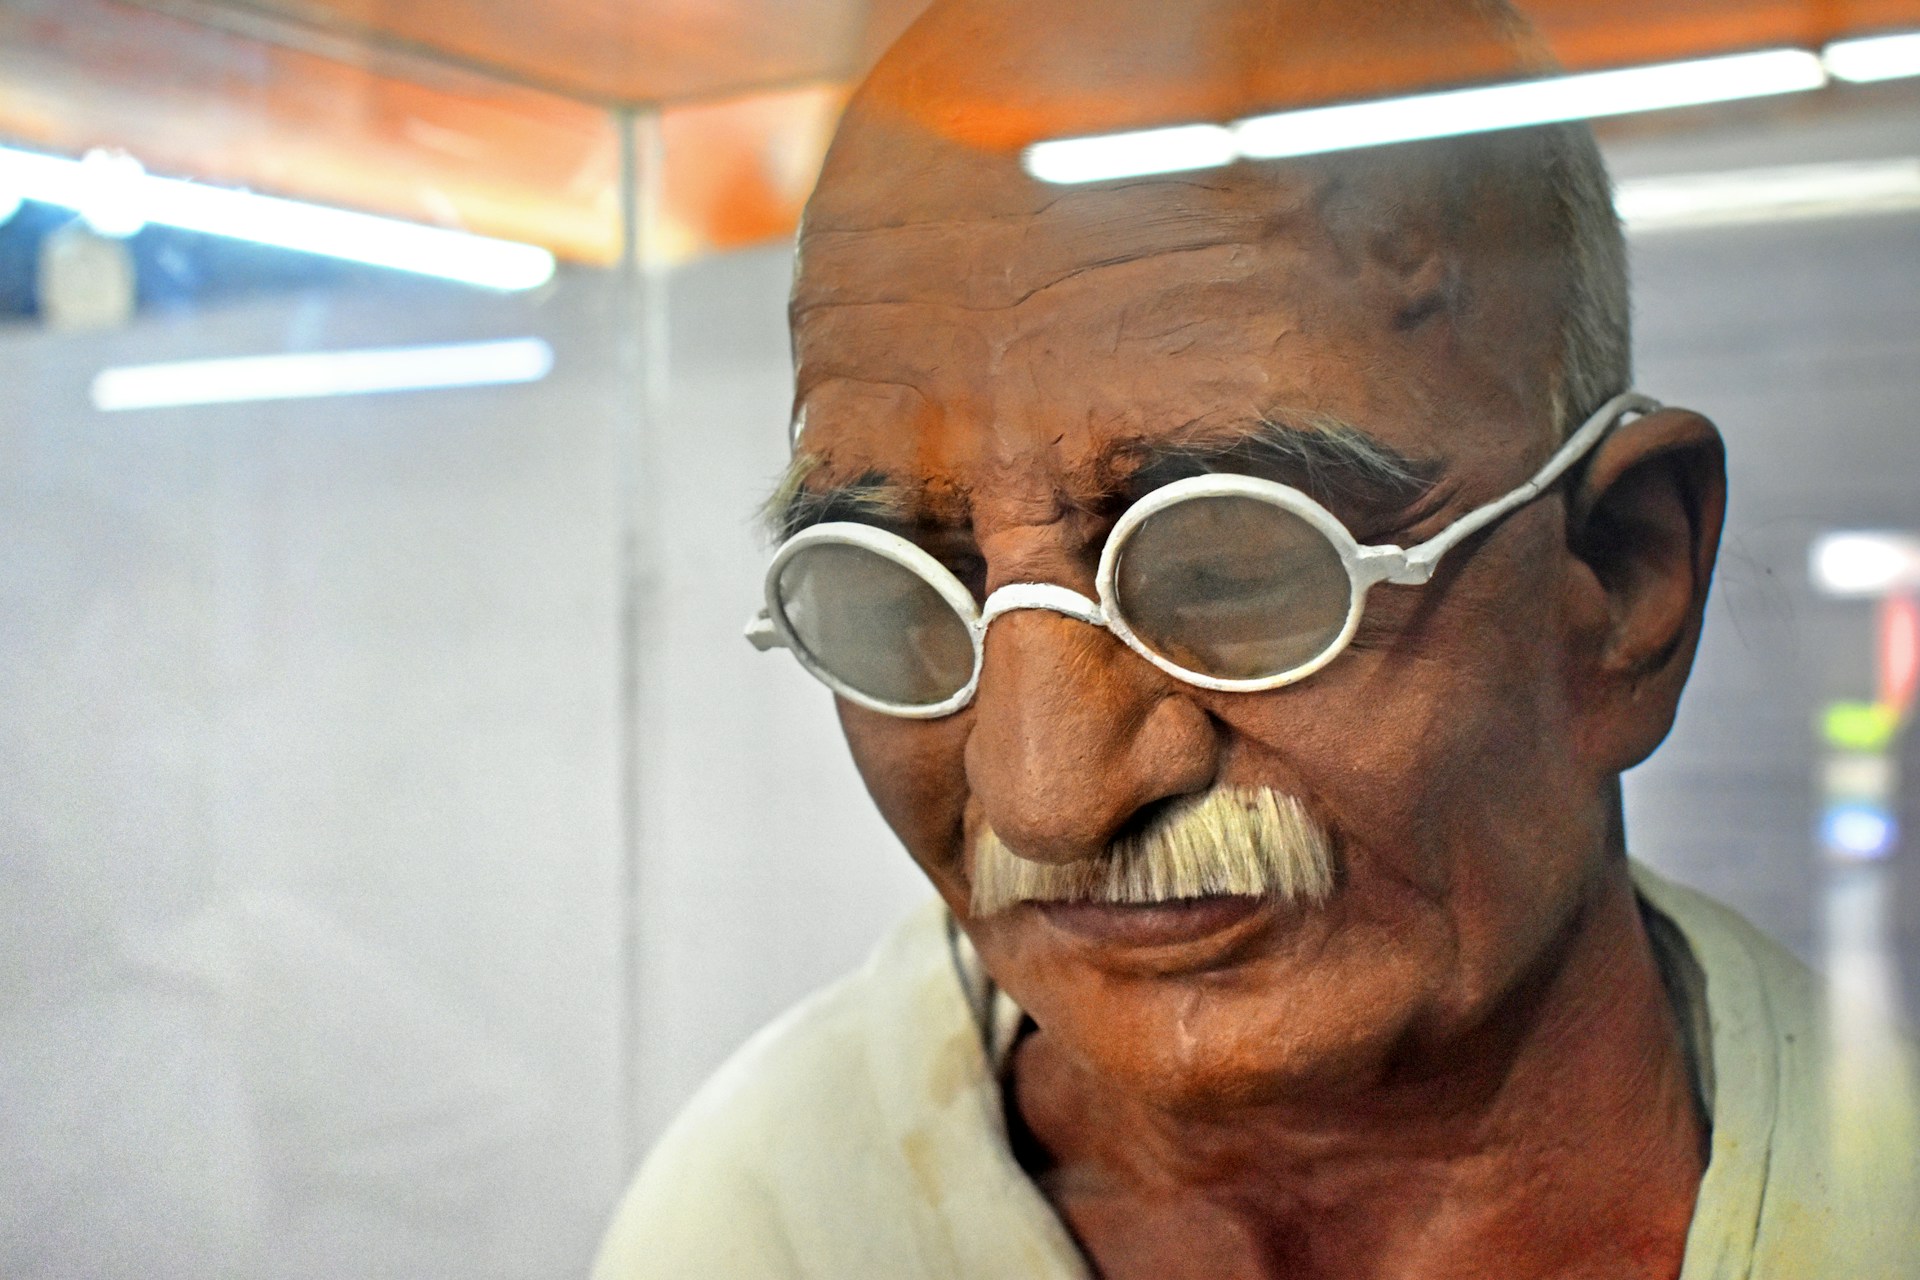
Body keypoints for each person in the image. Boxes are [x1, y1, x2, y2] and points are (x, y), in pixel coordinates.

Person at [595, 0, 1920, 1275]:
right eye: (900, 595)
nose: (1045, 798)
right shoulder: (768, 1224)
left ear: (1625, 581)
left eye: (1231, 570)